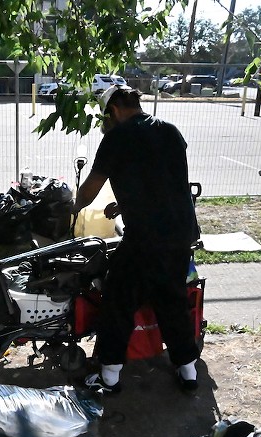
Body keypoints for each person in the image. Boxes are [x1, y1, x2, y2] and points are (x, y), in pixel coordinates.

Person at [73, 84, 201, 393]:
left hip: (145, 239)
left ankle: (109, 376)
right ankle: (188, 373)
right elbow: (162, 181)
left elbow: (90, 188)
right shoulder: (170, 131)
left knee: (118, 301)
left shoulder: (116, 138)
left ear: (113, 110)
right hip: (181, 234)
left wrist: (71, 208)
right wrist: (125, 204)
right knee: (172, 300)